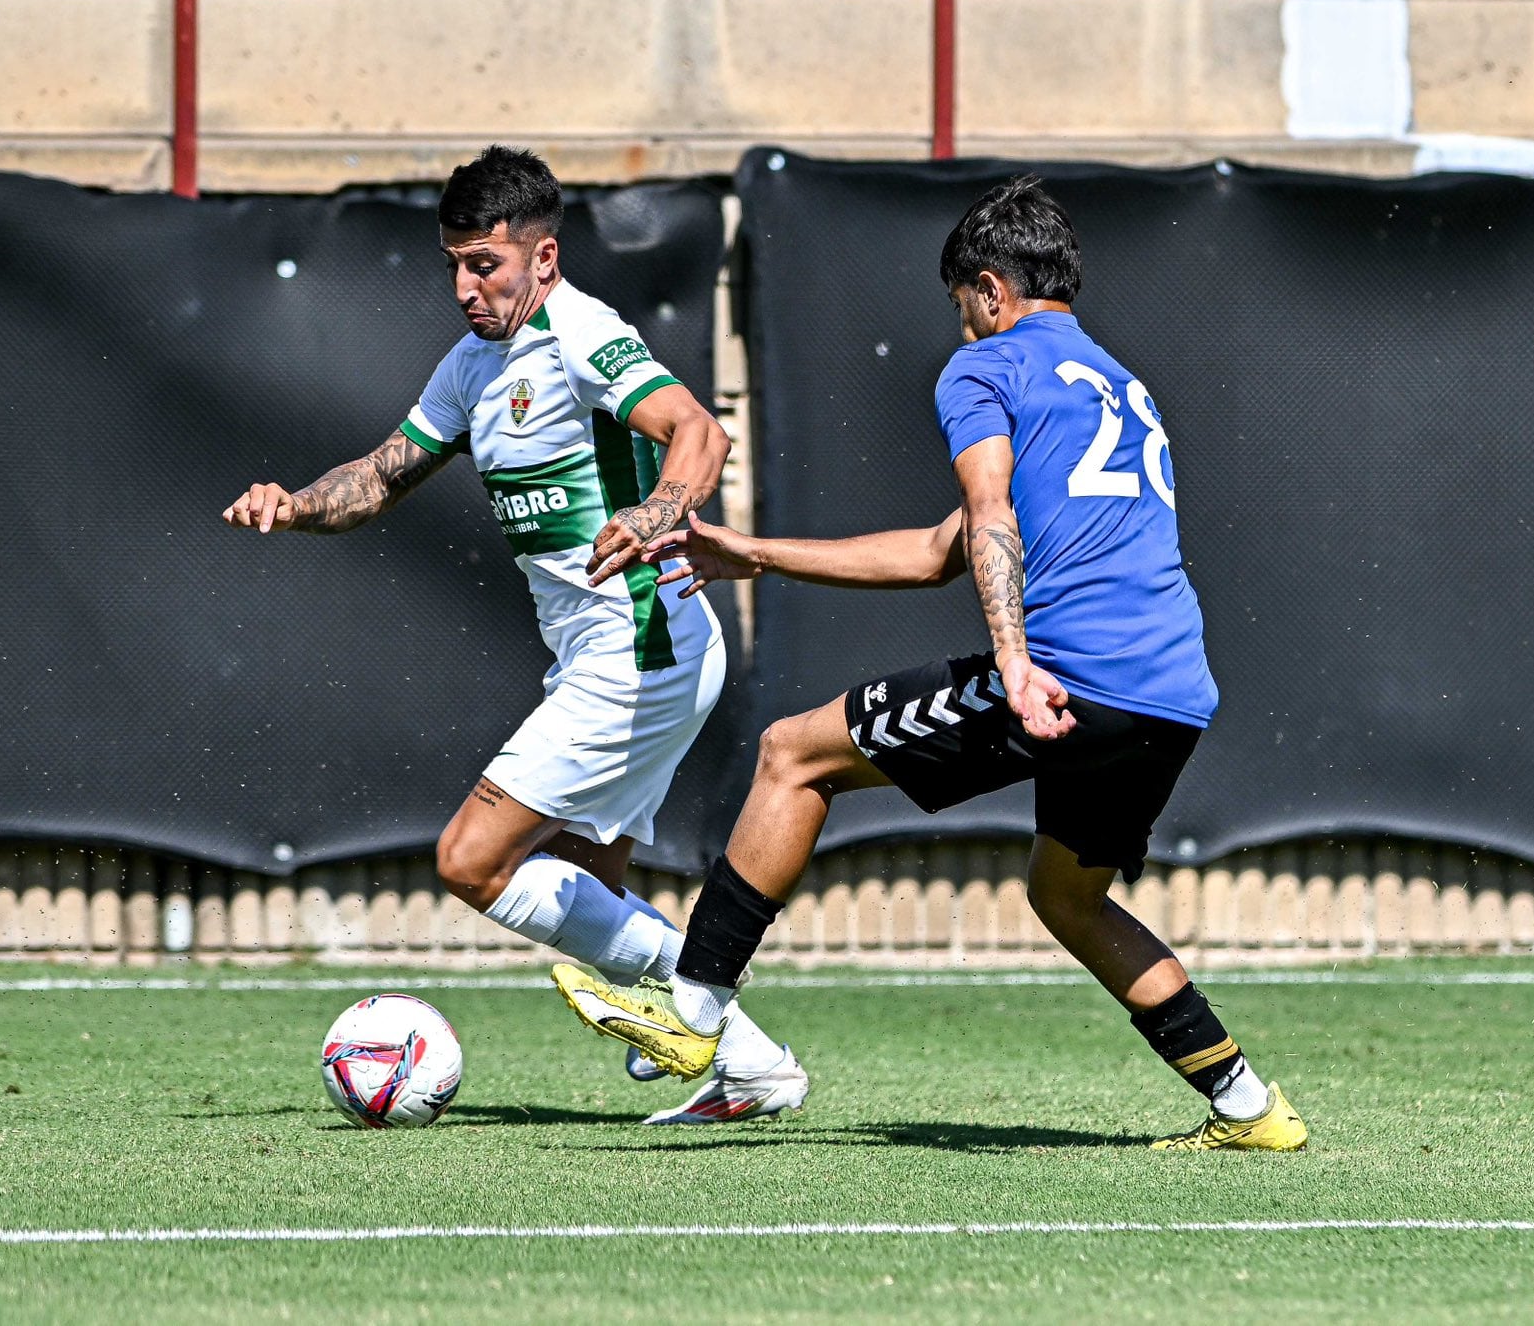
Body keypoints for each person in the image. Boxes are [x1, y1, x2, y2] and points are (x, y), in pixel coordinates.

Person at [553, 176, 1307, 1151]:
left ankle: (693, 1014)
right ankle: (1247, 1106)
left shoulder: (984, 369)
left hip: (1065, 677)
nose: (960, 333)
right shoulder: (1116, 382)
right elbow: (934, 548)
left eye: (961, 311)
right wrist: (751, 551)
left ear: (990, 291)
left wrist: (1014, 661)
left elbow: (990, 516)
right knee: (1066, 894)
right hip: (1170, 696)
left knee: (792, 753)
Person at [223, 146, 806, 1124]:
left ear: (542, 257)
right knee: (585, 893)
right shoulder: (469, 365)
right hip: (608, 652)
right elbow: (377, 476)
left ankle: (712, 1011)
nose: (463, 285)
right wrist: (292, 505)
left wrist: (659, 511)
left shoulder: (581, 335)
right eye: (452, 262)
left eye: (482, 264)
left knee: (468, 860)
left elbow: (697, 431)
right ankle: (741, 1059)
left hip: (641, 647)